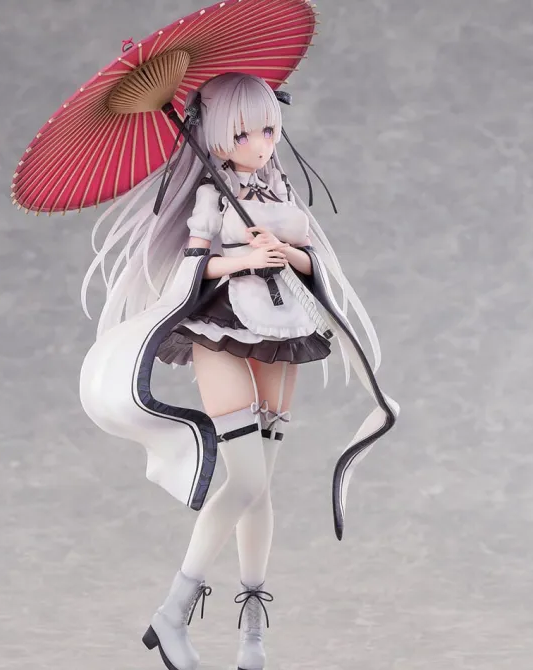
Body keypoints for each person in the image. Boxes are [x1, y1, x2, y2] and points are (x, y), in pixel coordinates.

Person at [79, 72, 399, 670]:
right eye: (243, 133)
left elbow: (311, 260)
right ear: (216, 135)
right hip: (222, 329)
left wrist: (289, 255)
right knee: (246, 480)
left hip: (282, 329)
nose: (260, 143)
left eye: (269, 129)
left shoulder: (281, 187)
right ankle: (172, 613)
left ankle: (252, 635)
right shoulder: (211, 193)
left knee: (263, 488)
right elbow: (193, 266)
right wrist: (245, 258)